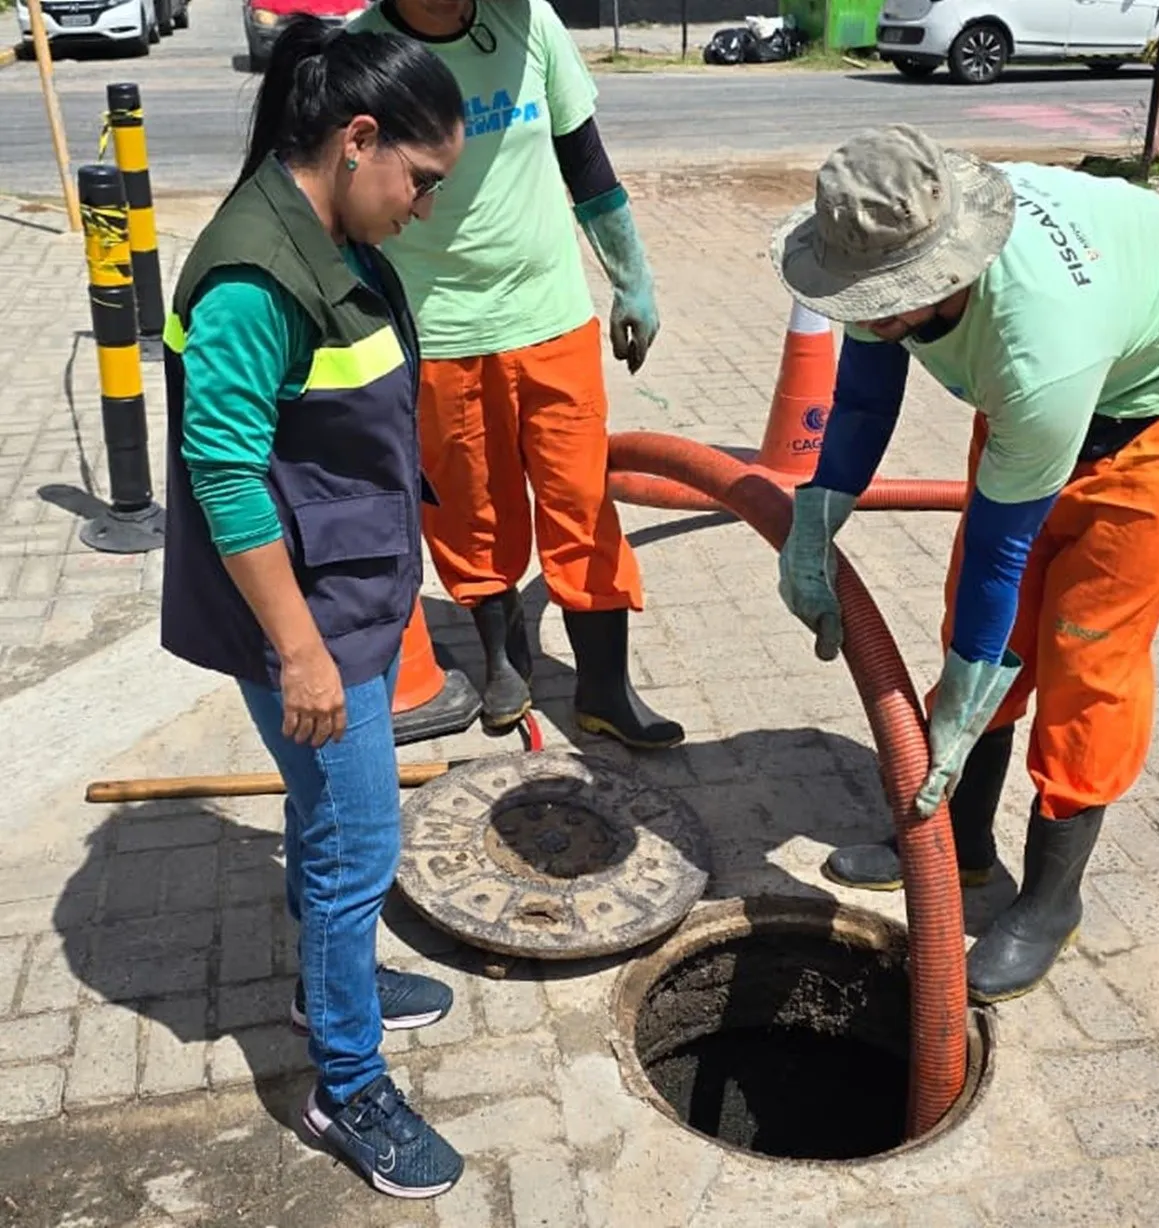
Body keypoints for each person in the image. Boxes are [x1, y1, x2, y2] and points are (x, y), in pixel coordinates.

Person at [771, 124, 1159, 1004]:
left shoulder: (1038, 348)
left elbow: (1002, 554)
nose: (866, 315)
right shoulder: (892, 233)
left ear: (942, 276)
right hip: (1047, 405)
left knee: (1086, 663)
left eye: (883, 304)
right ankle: (960, 846)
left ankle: (1051, 902)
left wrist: (967, 692)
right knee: (978, 632)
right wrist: (815, 519)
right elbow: (863, 399)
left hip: (1156, 424)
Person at [158, 18, 467, 1198]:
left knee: (328, 824)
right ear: (357, 139)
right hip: (309, 619)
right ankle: (347, 1080)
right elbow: (226, 472)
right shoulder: (254, 279)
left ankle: (333, 982)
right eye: (420, 180)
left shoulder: (328, 231)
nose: (424, 207)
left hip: (349, 591)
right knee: (357, 844)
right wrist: (299, 653)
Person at [349, 0, 682, 750]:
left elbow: (585, 162)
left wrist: (632, 276)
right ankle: (504, 663)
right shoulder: (362, 52)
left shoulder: (530, 24)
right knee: (470, 508)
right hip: (437, 330)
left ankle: (605, 688)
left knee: (582, 502)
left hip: (551, 317)